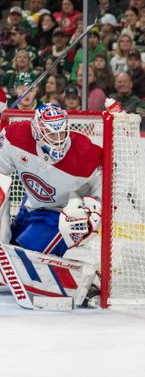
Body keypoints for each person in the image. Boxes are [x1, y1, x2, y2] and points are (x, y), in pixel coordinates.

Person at [0, 103, 102, 278]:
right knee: (9, 252)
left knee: (18, 263)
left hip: (60, 215)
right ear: (37, 132)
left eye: (61, 133)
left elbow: (106, 192)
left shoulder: (85, 154)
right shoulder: (14, 135)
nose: (58, 139)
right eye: (51, 134)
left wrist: (92, 216)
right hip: (31, 205)